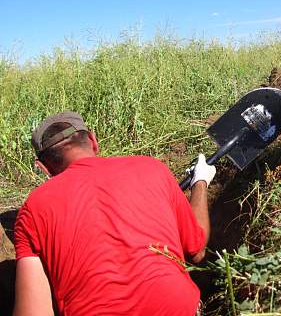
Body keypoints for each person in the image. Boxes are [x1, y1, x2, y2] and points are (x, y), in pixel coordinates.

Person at [13, 111, 215, 315]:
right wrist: (200, 182)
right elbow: (196, 252)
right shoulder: (151, 167)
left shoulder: (33, 209)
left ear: (44, 168)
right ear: (93, 140)